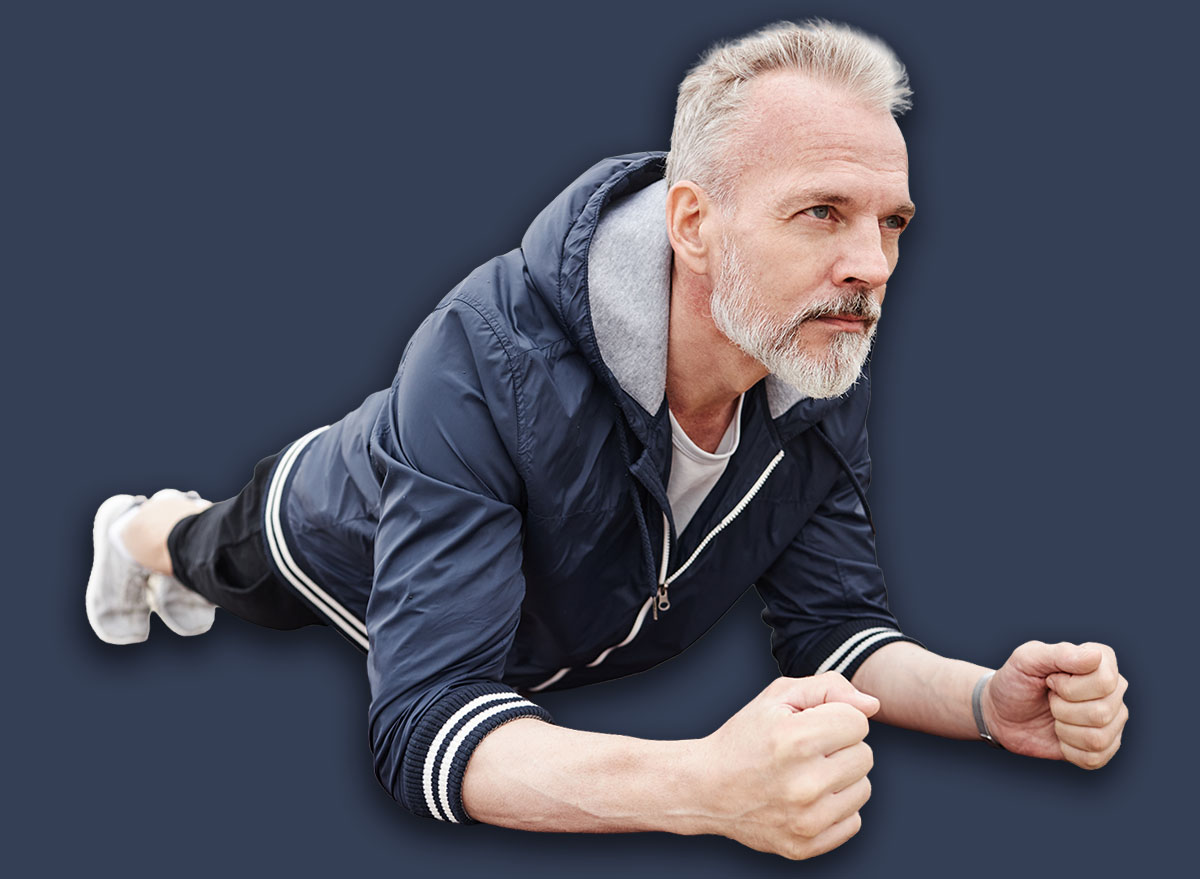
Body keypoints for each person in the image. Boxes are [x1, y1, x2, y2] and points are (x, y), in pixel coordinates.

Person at [84, 20, 1128, 861]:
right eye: (821, 212)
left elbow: (837, 625)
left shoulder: (810, 355)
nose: (874, 264)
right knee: (215, 557)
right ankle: (135, 528)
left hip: (515, 583)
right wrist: (701, 790)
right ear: (692, 223)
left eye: (893, 221)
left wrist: (987, 702)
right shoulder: (484, 362)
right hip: (337, 532)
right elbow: (423, 729)